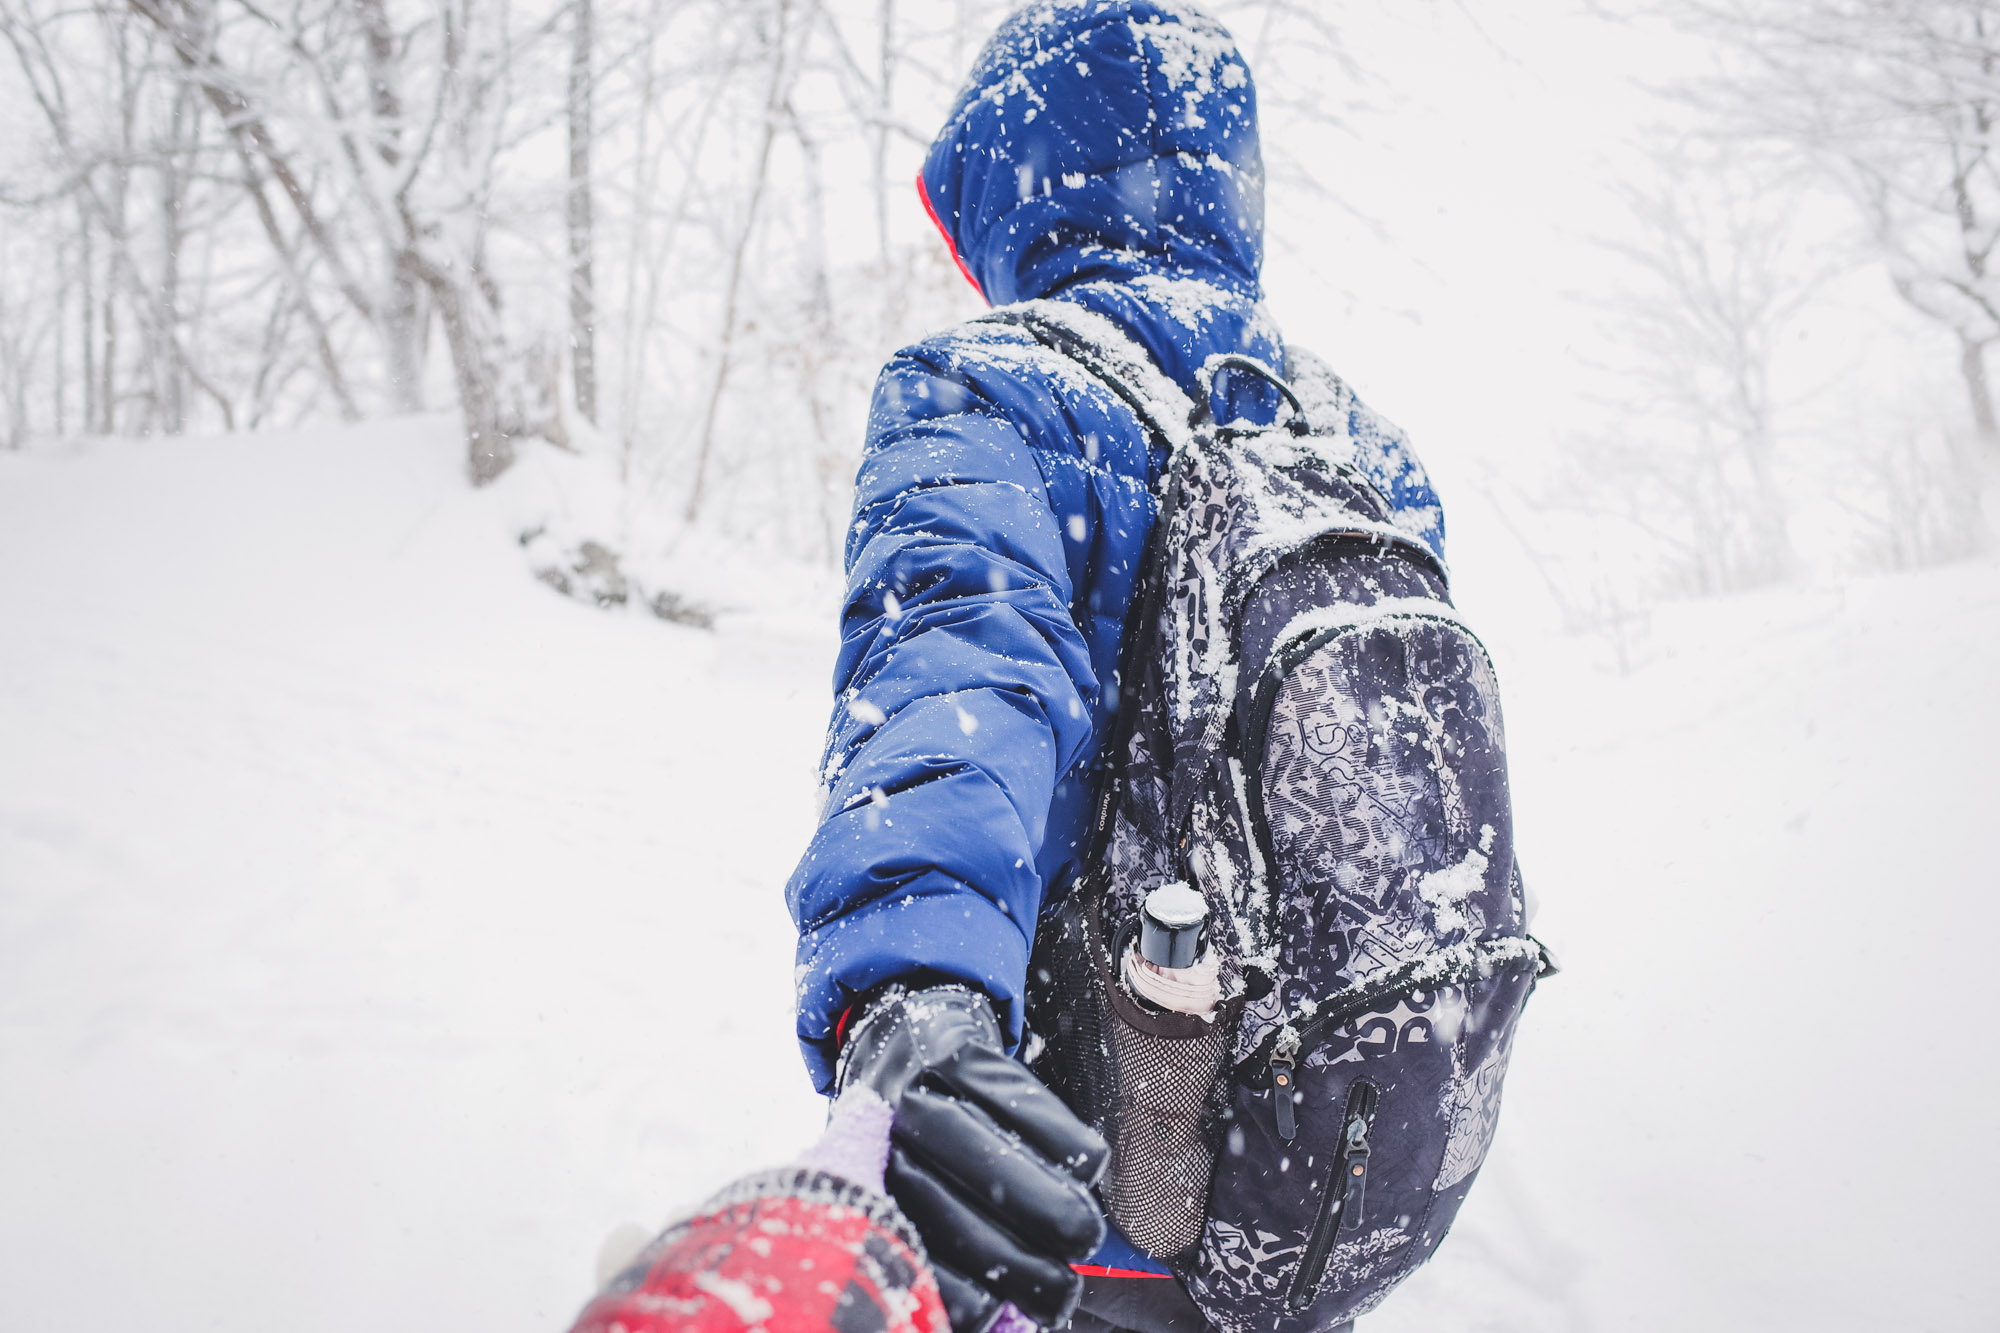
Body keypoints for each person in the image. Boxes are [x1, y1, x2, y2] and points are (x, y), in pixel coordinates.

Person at [786, 6, 1503, 1332]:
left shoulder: (993, 384)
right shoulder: (1359, 437)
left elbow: (962, 674)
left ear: (1009, 182)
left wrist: (917, 992)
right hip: (1310, 1173)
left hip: (1064, 1184)